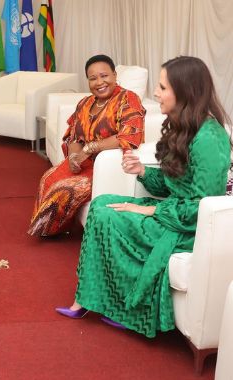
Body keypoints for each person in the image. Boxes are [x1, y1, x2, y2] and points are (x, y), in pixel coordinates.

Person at [55, 56, 231, 337]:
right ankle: (92, 298)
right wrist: (141, 172)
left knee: (105, 213)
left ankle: (109, 305)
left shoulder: (209, 138)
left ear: (185, 91)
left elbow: (202, 207)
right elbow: (172, 186)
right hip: (173, 213)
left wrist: (150, 211)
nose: (157, 94)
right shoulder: (184, 126)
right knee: (101, 203)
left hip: (186, 228)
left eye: (162, 87)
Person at [28, 54, 146, 236]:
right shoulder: (85, 103)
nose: (99, 82)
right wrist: (74, 157)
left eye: (104, 76)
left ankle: (50, 229)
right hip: (85, 162)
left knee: (65, 189)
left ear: (114, 75)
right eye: (93, 78)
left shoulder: (128, 99)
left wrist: (90, 148)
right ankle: (51, 228)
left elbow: (129, 137)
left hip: (109, 165)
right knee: (48, 177)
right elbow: (74, 137)